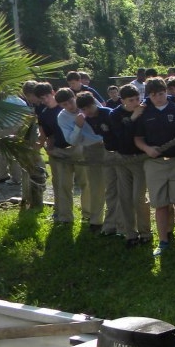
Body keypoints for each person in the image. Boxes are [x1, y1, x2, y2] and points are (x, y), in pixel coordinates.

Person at [134, 76, 175, 256]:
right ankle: (163, 240)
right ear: (148, 95)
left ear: (166, 91)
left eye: (161, 93)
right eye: (153, 94)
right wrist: (147, 149)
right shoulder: (144, 112)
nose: (158, 97)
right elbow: (138, 138)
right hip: (154, 163)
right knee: (160, 204)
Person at [107, 84, 152, 247]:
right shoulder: (115, 114)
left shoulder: (144, 110)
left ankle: (145, 232)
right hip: (122, 157)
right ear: (123, 100)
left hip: (139, 158)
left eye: (137, 99)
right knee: (125, 197)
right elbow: (121, 137)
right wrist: (132, 117)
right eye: (131, 100)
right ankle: (130, 233)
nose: (135, 103)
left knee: (138, 198)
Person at [56, 88, 105, 232]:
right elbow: (71, 140)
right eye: (65, 105)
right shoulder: (62, 117)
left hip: (108, 145)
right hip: (91, 149)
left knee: (114, 185)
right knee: (95, 186)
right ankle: (96, 221)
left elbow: (105, 117)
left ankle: (116, 222)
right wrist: (78, 125)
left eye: (71, 101)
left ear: (74, 97)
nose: (70, 106)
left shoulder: (88, 102)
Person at [76, 92, 117, 235]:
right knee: (98, 186)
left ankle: (115, 223)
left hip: (117, 152)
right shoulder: (88, 118)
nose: (88, 111)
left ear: (95, 103)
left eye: (89, 107)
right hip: (102, 150)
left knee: (114, 188)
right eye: (84, 109)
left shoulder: (109, 114)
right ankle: (99, 221)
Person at [35, 83, 72, 224]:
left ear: (53, 92)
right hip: (58, 151)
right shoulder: (44, 113)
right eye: (42, 99)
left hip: (76, 149)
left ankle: (88, 214)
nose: (45, 100)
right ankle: (61, 213)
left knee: (84, 183)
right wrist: (46, 147)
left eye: (46, 96)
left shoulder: (65, 106)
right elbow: (47, 135)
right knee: (59, 184)